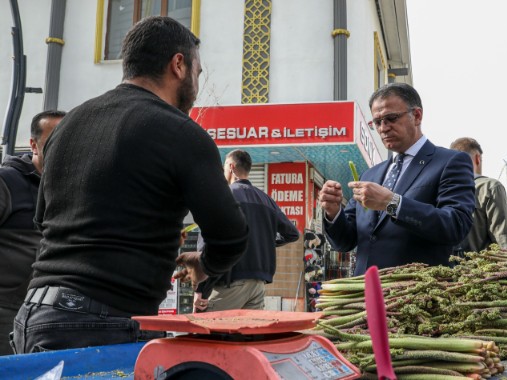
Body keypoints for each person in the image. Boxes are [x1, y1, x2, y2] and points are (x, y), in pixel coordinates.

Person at [11, 16, 249, 354]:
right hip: (100, 326)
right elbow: (231, 236)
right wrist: (205, 264)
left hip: (35, 316)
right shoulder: (180, 132)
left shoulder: (69, 124)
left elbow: (44, 220)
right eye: (198, 72)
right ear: (178, 65)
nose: (196, 84)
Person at [319, 83, 475, 276]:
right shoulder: (370, 175)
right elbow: (345, 242)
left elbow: (455, 225)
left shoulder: (450, 162)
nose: (383, 128)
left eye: (391, 118)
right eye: (377, 122)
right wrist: (333, 212)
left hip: (415, 294)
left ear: (417, 115)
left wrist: (391, 203)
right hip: (363, 295)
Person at [192, 150, 299, 312]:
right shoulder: (266, 199)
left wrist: (200, 290)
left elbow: (206, 246)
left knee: (208, 334)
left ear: (231, 167)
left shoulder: (222, 197)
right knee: (249, 335)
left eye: (224, 168)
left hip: (229, 285)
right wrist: (265, 242)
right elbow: (292, 233)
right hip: (257, 286)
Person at [0, 110, 65, 355]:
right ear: (33, 145)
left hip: (46, 312)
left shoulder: (71, 190)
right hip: (6, 309)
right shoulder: (7, 182)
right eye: (53, 141)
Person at [450, 137, 507, 253]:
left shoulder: (441, 190)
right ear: (478, 159)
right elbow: (502, 237)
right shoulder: (490, 187)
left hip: (444, 269)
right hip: (481, 269)